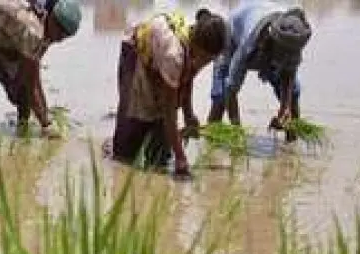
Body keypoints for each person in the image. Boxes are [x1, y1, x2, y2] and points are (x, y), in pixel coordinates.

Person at [110, 8, 227, 177]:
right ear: (198, 47)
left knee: (160, 153)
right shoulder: (174, 54)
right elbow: (168, 109)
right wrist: (181, 157)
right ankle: (116, 153)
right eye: (207, 59)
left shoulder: (194, 43)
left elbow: (187, 75)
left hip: (160, 58)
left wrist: (189, 114)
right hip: (137, 54)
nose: (207, 64)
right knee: (129, 142)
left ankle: (158, 156)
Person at [0, 0, 83, 139]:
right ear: (52, 18)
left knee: (22, 91)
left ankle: (22, 135)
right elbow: (33, 82)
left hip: (6, 42)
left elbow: (32, 65)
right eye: (59, 32)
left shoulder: (45, 27)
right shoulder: (33, 30)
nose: (60, 38)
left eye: (65, 36)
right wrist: (46, 124)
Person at [207, 2, 312, 142]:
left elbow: (289, 72)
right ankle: (211, 144)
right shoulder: (248, 45)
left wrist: (285, 107)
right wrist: (236, 129)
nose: (286, 61)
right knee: (221, 95)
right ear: (272, 46)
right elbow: (231, 89)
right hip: (233, 36)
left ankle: (291, 143)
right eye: (283, 57)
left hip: (262, 20)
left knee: (293, 94)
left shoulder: (293, 35)